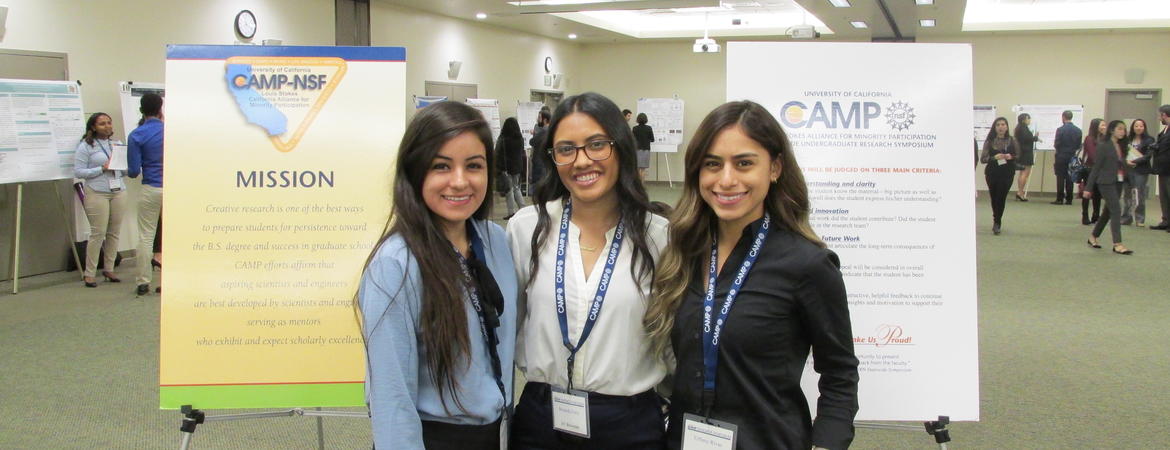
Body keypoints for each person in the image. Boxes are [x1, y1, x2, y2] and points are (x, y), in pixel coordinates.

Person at [644, 100, 858, 450]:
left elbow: (840, 372)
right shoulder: (681, 252)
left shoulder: (807, 264)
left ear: (774, 168)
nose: (726, 180)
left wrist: (828, 443)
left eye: (744, 163)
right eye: (712, 164)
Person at [506, 92, 669, 449]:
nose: (582, 161)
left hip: (628, 424)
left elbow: (671, 341)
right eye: (566, 149)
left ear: (621, 148)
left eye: (597, 145)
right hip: (541, 418)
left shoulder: (659, 236)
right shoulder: (526, 228)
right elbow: (509, 328)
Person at [357, 101, 517, 450]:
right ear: (415, 173)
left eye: (473, 166)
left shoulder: (496, 242)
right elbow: (391, 399)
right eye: (441, 166)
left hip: (496, 432)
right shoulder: (395, 264)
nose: (459, 182)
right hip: (433, 438)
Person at [73, 112, 126, 287]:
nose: (107, 126)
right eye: (102, 123)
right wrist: (101, 169)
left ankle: (109, 268)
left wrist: (127, 166)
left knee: (114, 231)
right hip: (97, 191)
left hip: (118, 190)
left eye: (109, 122)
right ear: (93, 127)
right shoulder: (86, 146)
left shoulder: (116, 144)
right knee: (98, 233)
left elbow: (124, 170)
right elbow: (79, 172)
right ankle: (89, 273)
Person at [127, 93, 164, 296]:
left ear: (141, 110)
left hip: (150, 187)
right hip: (173, 187)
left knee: (146, 236)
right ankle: (168, 281)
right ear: (161, 109)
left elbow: (133, 171)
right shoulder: (172, 131)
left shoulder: (136, 135)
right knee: (172, 236)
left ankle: (143, 281)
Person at [1086, 120, 1134, 255]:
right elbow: (1096, 167)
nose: (1122, 132)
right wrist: (1088, 188)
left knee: (1108, 212)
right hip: (1106, 182)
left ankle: (1093, 236)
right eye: (1119, 129)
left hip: (1118, 181)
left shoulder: (1121, 145)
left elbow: (1119, 163)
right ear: (1112, 130)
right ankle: (1117, 244)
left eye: (1124, 130)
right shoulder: (1103, 145)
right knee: (1116, 210)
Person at [980, 117, 1018, 235]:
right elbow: (983, 159)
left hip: (1007, 173)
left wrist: (1010, 157)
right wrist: (993, 158)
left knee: (1001, 197)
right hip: (992, 173)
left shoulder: (1013, 140)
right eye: (998, 125)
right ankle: (996, 218)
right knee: (994, 197)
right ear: (995, 127)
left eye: (1003, 124)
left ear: (1007, 126)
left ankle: (997, 222)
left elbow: (1019, 156)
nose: (1001, 127)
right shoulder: (989, 141)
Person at [1122, 118, 1155, 227]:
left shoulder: (1149, 140)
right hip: (1128, 170)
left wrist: (1134, 161)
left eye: (1141, 126)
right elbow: (1122, 153)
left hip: (1141, 170)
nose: (1138, 128)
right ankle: (1126, 217)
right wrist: (1126, 161)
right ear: (1132, 127)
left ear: (1144, 128)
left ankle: (1140, 219)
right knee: (1127, 194)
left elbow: (1148, 156)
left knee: (1139, 194)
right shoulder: (1127, 139)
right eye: (1136, 126)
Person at [1052, 111, 1082, 205]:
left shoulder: (1060, 130)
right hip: (1072, 156)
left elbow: (1057, 144)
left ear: (1063, 117)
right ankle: (1069, 199)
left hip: (1061, 155)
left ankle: (1059, 199)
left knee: (1060, 177)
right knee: (1070, 177)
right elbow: (1078, 145)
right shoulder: (1078, 130)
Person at [1079, 118, 1105, 225]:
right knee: (1088, 191)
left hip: (1101, 169)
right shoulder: (1089, 138)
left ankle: (1096, 215)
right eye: (1102, 125)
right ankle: (1085, 215)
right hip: (1090, 169)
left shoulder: (1105, 139)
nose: (1104, 127)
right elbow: (1092, 155)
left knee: (1098, 193)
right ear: (1096, 126)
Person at [499, 117, 526, 218]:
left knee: (509, 191)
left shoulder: (505, 140)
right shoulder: (520, 139)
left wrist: (502, 169)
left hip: (507, 168)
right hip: (517, 167)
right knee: (516, 188)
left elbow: (503, 155)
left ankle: (511, 212)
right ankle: (523, 208)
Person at [1150, 105, 1170, 231]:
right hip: (1162, 168)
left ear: (1164, 115)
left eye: (1160, 115)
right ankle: (1165, 220)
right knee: (1164, 196)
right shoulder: (1165, 130)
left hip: (1169, 168)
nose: (1159, 118)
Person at [1014, 113, 1038, 201]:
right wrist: (1035, 137)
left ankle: (1019, 192)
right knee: (1025, 173)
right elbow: (1027, 139)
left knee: (1022, 173)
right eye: (1028, 118)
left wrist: (1034, 137)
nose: (1029, 120)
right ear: (1024, 119)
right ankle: (1020, 192)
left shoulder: (1020, 128)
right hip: (1026, 153)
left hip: (1023, 152)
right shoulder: (1023, 129)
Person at [528, 110, 552, 198]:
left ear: (545, 120)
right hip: (548, 163)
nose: (537, 120)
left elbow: (532, 141)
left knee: (539, 190)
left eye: (539, 118)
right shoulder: (553, 131)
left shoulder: (544, 131)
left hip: (540, 163)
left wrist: (535, 134)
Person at [632, 112, 655, 180]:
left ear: (638, 119)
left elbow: (632, 139)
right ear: (646, 119)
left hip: (637, 150)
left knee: (638, 168)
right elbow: (652, 139)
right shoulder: (649, 128)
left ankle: (638, 185)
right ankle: (642, 183)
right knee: (643, 169)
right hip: (646, 150)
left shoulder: (635, 128)